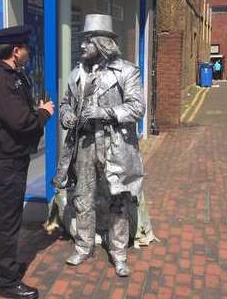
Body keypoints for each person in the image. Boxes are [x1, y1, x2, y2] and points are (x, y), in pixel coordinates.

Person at [53, 14, 146, 277]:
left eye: (87, 41)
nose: (82, 46)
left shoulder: (127, 71)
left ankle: (118, 253)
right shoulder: (76, 74)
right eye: (82, 40)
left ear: (102, 43)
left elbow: (137, 108)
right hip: (84, 145)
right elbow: (65, 104)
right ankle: (83, 247)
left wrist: (103, 113)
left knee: (118, 199)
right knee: (83, 198)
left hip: (116, 146)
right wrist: (67, 115)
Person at [0, 25, 54, 299]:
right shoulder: (2, 80)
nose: (29, 53)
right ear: (16, 51)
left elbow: (13, 115)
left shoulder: (5, 76)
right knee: (8, 220)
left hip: (6, 156)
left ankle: (3, 267)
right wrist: (44, 114)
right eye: (26, 49)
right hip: (7, 159)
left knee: (5, 216)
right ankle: (8, 283)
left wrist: (34, 111)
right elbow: (21, 122)